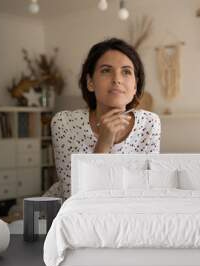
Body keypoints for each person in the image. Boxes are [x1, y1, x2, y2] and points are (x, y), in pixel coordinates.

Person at [50, 38, 161, 198]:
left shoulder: (150, 124)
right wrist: (104, 142)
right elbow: (73, 195)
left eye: (126, 71)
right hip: (71, 215)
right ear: (90, 82)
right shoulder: (64, 123)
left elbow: (146, 191)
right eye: (106, 70)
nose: (117, 79)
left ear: (135, 85)